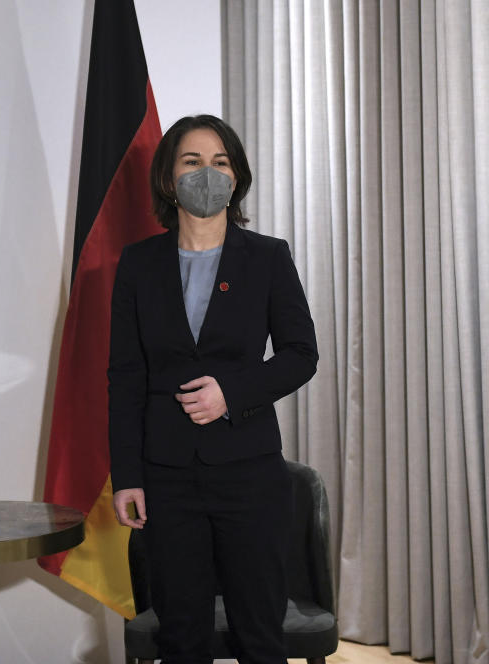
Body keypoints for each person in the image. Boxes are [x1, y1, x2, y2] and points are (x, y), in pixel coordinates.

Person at [108, 114, 318, 664]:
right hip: (167, 477)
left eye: (220, 162)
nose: (208, 172)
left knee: (259, 636)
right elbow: (126, 376)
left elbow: (301, 355)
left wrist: (233, 392)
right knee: (181, 638)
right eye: (192, 161)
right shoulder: (137, 264)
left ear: (237, 176)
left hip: (249, 472)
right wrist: (127, 476)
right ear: (167, 179)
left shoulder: (268, 257)